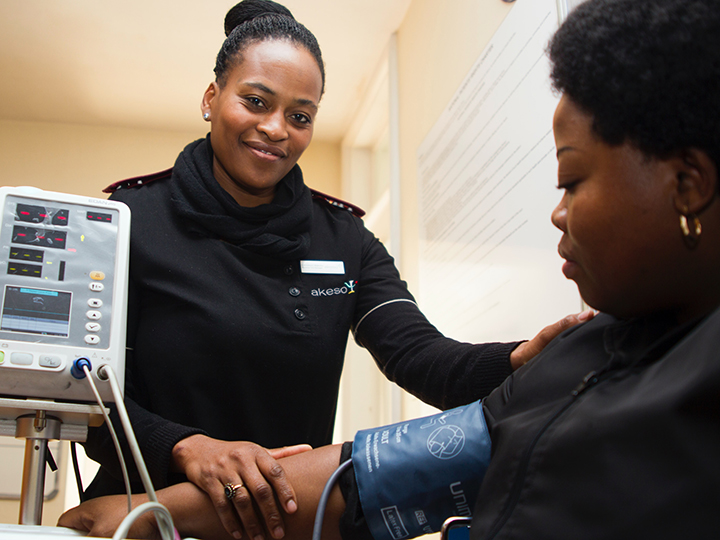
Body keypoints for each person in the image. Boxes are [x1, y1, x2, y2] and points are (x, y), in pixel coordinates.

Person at [61, 0, 720, 537]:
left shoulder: (342, 238)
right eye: (255, 102)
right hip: (138, 499)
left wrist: (513, 362)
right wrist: (187, 449)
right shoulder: (129, 221)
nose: (275, 129)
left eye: (300, 115)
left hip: (279, 518)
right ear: (212, 97)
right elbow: (88, 395)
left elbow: (420, 357)